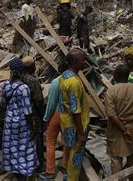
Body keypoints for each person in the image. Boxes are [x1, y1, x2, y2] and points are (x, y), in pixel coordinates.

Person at [105, 65, 133, 180]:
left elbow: (111, 114)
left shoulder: (111, 91)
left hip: (116, 129)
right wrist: (130, 119)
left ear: (116, 75)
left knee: (116, 160)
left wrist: (123, 128)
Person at [1, 58, 38, 179]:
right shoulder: (24, 88)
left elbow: (3, 104)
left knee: (12, 147)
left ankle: (15, 170)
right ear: (22, 71)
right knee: (25, 147)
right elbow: (27, 110)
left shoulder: (6, 85)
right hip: (22, 123)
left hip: (9, 122)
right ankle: (25, 171)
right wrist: (32, 129)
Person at [58, 49, 90, 181]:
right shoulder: (74, 83)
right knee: (75, 158)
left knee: (71, 153)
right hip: (75, 126)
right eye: (83, 59)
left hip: (66, 123)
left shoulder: (64, 76)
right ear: (75, 62)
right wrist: (81, 133)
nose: (85, 62)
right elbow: (75, 109)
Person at [40, 64, 69, 180]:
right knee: (66, 141)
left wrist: (46, 118)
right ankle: (65, 165)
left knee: (50, 142)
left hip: (57, 114)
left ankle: (50, 171)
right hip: (69, 115)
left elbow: (51, 103)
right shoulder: (74, 81)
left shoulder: (56, 82)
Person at [21, 56, 46, 173]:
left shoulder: (19, 78)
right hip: (34, 114)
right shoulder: (32, 81)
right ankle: (40, 164)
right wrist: (43, 115)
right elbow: (39, 100)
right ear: (32, 66)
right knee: (38, 138)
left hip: (22, 114)